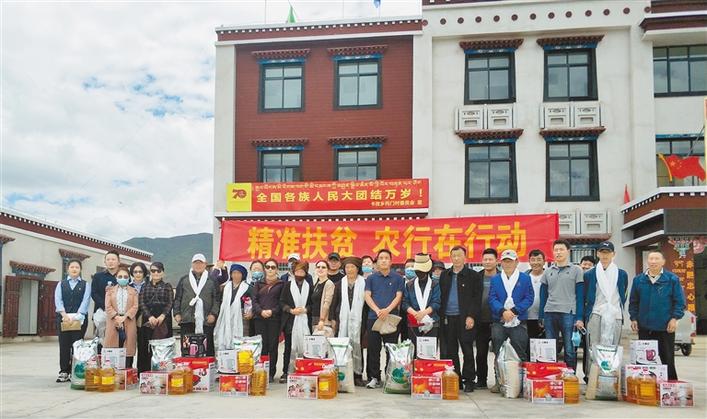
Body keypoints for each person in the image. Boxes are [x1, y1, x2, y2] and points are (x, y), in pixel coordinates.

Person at [629, 250, 686, 380]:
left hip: (665, 327)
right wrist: (634, 318)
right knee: (644, 361)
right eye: (651, 259)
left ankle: (670, 387)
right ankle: (646, 386)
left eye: (656, 259)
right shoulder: (638, 280)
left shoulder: (672, 279)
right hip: (645, 328)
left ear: (663, 262)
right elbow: (634, 302)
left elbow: (679, 302)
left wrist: (674, 318)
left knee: (668, 361)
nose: (653, 261)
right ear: (647, 261)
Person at [488, 249, 534, 387]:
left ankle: (521, 383)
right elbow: (492, 298)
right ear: (501, 263)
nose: (507, 264)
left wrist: (514, 311)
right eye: (505, 261)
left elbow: (529, 298)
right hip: (499, 320)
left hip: (518, 320)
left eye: (510, 261)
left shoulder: (525, 278)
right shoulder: (496, 279)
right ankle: (499, 382)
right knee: (498, 351)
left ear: (517, 262)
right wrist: (502, 311)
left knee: (520, 351)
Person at [439, 246, 482, 393]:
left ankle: (469, 380)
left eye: (459, 255)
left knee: (467, 350)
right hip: (448, 317)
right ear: (450, 258)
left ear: (465, 257)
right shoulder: (445, 275)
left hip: (465, 318)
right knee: (451, 351)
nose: (456, 258)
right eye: (454, 256)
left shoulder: (473, 276)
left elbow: (476, 298)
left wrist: (471, 316)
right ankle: (455, 379)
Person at [583, 241, 628, 381]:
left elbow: (623, 295)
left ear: (613, 254)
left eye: (608, 253)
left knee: (613, 347)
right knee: (593, 347)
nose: (605, 255)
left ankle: (610, 378)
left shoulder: (621, 274)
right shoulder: (590, 274)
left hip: (615, 314)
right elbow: (585, 296)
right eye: (602, 252)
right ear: (597, 254)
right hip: (596, 313)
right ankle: (591, 378)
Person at [539, 239, 584, 371]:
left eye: (561, 250)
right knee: (550, 349)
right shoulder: (547, 271)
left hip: (568, 313)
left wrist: (579, 317)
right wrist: (541, 315)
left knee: (569, 349)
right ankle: (552, 376)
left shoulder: (577, 270)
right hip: (549, 313)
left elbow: (580, 296)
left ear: (568, 251)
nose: (558, 252)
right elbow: (543, 295)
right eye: (556, 250)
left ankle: (570, 376)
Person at [364, 249, 404, 389]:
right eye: (381, 258)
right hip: (374, 317)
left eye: (386, 258)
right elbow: (367, 295)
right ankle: (374, 377)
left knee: (390, 349)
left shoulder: (398, 278)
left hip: (391, 318)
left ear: (391, 261)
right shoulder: (371, 278)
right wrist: (377, 310)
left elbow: (399, 296)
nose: (383, 260)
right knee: (373, 349)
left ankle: (389, 376)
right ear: (377, 262)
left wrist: (387, 310)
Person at [174, 253, 221, 357]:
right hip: (187, 320)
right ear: (192, 264)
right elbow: (177, 298)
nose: (198, 265)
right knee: (187, 351)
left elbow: (217, 299)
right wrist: (177, 313)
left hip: (206, 320)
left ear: (205, 264)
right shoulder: (184, 280)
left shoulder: (212, 280)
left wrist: (213, 314)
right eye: (196, 263)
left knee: (207, 350)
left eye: (200, 263)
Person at [332, 256, 367, 387]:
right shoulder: (339, 284)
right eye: (347, 267)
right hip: (342, 321)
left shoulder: (364, 283)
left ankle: (358, 375)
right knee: (343, 346)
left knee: (357, 345)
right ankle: (343, 373)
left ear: (357, 269)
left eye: (352, 267)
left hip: (360, 320)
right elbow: (334, 303)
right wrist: (333, 319)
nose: (350, 269)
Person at [54, 259, 91, 382]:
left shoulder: (85, 285)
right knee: (64, 345)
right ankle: (64, 371)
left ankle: (75, 371)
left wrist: (76, 316)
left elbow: (85, 301)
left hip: (79, 319)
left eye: (77, 267)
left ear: (80, 270)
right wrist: (64, 315)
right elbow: (58, 300)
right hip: (63, 319)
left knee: (77, 346)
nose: (74, 269)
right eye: (72, 267)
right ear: (68, 269)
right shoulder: (61, 284)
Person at [137, 262, 173, 373]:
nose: (156, 273)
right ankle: (144, 374)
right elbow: (141, 302)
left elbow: (170, 303)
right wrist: (149, 316)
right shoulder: (145, 286)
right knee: (145, 347)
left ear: (163, 273)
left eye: (158, 271)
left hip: (164, 319)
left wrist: (162, 316)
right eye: (153, 271)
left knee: (163, 348)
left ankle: (162, 372)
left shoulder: (167, 286)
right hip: (148, 318)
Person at [253, 258, 285, 382]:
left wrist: (272, 311)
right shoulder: (258, 284)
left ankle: (271, 373)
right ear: (264, 269)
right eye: (268, 267)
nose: (270, 269)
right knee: (262, 346)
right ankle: (261, 371)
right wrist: (261, 311)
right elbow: (254, 300)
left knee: (273, 346)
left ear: (277, 269)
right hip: (259, 318)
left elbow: (281, 302)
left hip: (274, 319)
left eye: (273, 267)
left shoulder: (281, 284)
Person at [279, 260, 312, 380]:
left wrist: (305, 309)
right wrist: (290, 310)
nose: (299, 274)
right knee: (289, 347)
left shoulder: (309, 286)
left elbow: (312, 303)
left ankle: (304, 369)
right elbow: (282, 302)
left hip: (304, 321)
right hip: (290, 321)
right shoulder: (287, 285)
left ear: (306, 273)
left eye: (302, 271)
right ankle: (286, 371)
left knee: (305, 347)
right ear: (294, 272)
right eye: (297, 271)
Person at [403, 254, 441, 354]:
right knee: (414, 353)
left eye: (422, 271)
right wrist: (415, 314)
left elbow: (436, 302)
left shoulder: (435, 284)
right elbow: (405, 303)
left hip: (432, 322)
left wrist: (424, 313)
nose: (419, 273)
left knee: (429, 354)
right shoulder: (409, 285)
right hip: (413, 322)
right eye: (417, 271)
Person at [214, 264, 255, 351]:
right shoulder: (225, 288)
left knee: (241, 342)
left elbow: (254, 302)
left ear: (243, 275)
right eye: (234, 273)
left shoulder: (248, 288)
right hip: (226, 318)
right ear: (231, 274)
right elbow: (220, 303)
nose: (236, 275)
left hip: (242, 319)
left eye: (239, 273)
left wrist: (251, 312)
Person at [104, 267, 139, 368]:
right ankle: (113, 370)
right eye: (120, 276)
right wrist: (116, 316)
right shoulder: (110, 291)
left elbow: (135, 306)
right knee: (113, 346)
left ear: (129, 278)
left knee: (128, 347)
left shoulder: (134, 291)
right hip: (113, 321)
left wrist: (125, 316)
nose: (122, 278)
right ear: (116, 277)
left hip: (128, 320)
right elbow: (107, 306)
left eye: (125, 277)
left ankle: (127, 371)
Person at [476, 248, 499, 390]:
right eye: (485, 259)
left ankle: (499, 380)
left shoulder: (502, 277)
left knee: (499, 353)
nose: (488, 262)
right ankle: (481, 380)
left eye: (491, 259)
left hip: (498, 320)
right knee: (480, 353)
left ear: (497, 261)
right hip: (480, 321)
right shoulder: (477, 277)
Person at [91, 250, 120, 352]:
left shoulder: (123, 276)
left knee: (117, 340)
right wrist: (106, 307)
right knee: (101, 341)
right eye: (108, 259)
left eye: (113, 259)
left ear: (118, 262)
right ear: (105, 262)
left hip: (118, 314)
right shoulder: (98, 276)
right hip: (101, 312)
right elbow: (94, 293)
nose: (110, 261)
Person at [311, 260, 335, 334]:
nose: (320, 269)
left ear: (328, 270)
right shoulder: (317, 283)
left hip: (323, 320)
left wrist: (322, 320)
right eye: (318, 267)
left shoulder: (329, 284)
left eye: (323, 267)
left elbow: (327, 303)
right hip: (314, 318)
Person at [526, 249, 545, 340]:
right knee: (529, 344)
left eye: (539, 260)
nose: (536, 263)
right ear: (529, 262)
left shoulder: (549, 276)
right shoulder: (524, 276)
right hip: (527, 317)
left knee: (544, 345)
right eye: (533, 260)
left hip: (545, 318)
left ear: (544, 261)